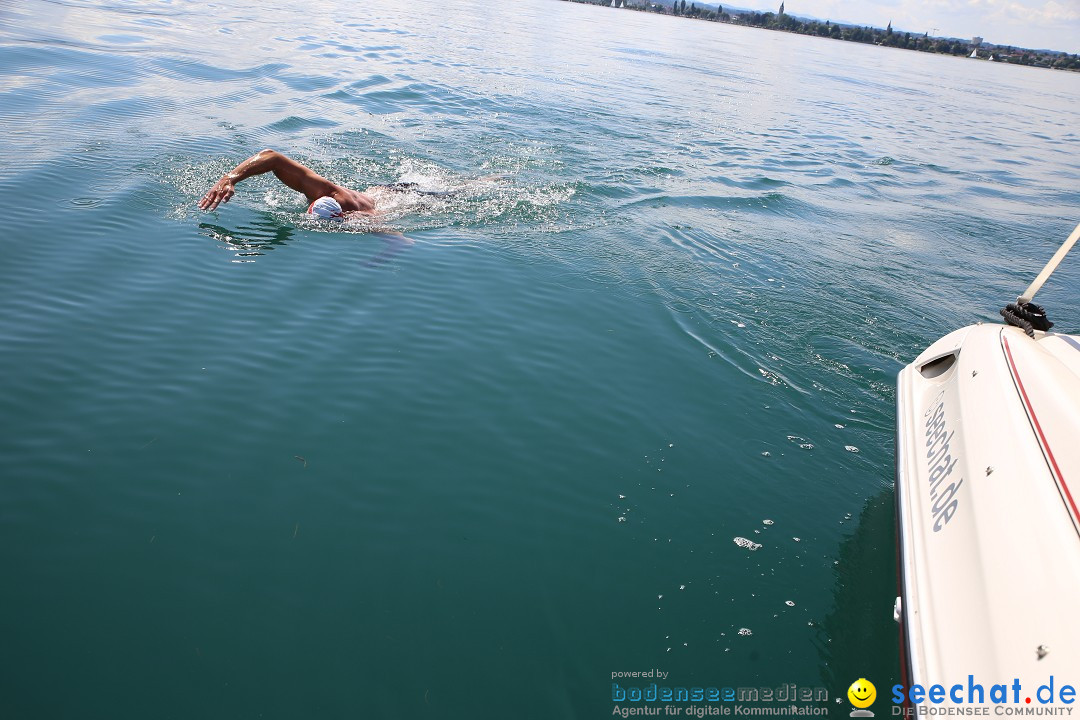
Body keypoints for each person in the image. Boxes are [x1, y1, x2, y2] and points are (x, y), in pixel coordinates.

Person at [199, 149, 382, 220]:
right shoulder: (321, 191)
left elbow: (399, 240)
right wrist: (230, 178)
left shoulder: (361, 217)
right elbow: (272, 157)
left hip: (388, 196)